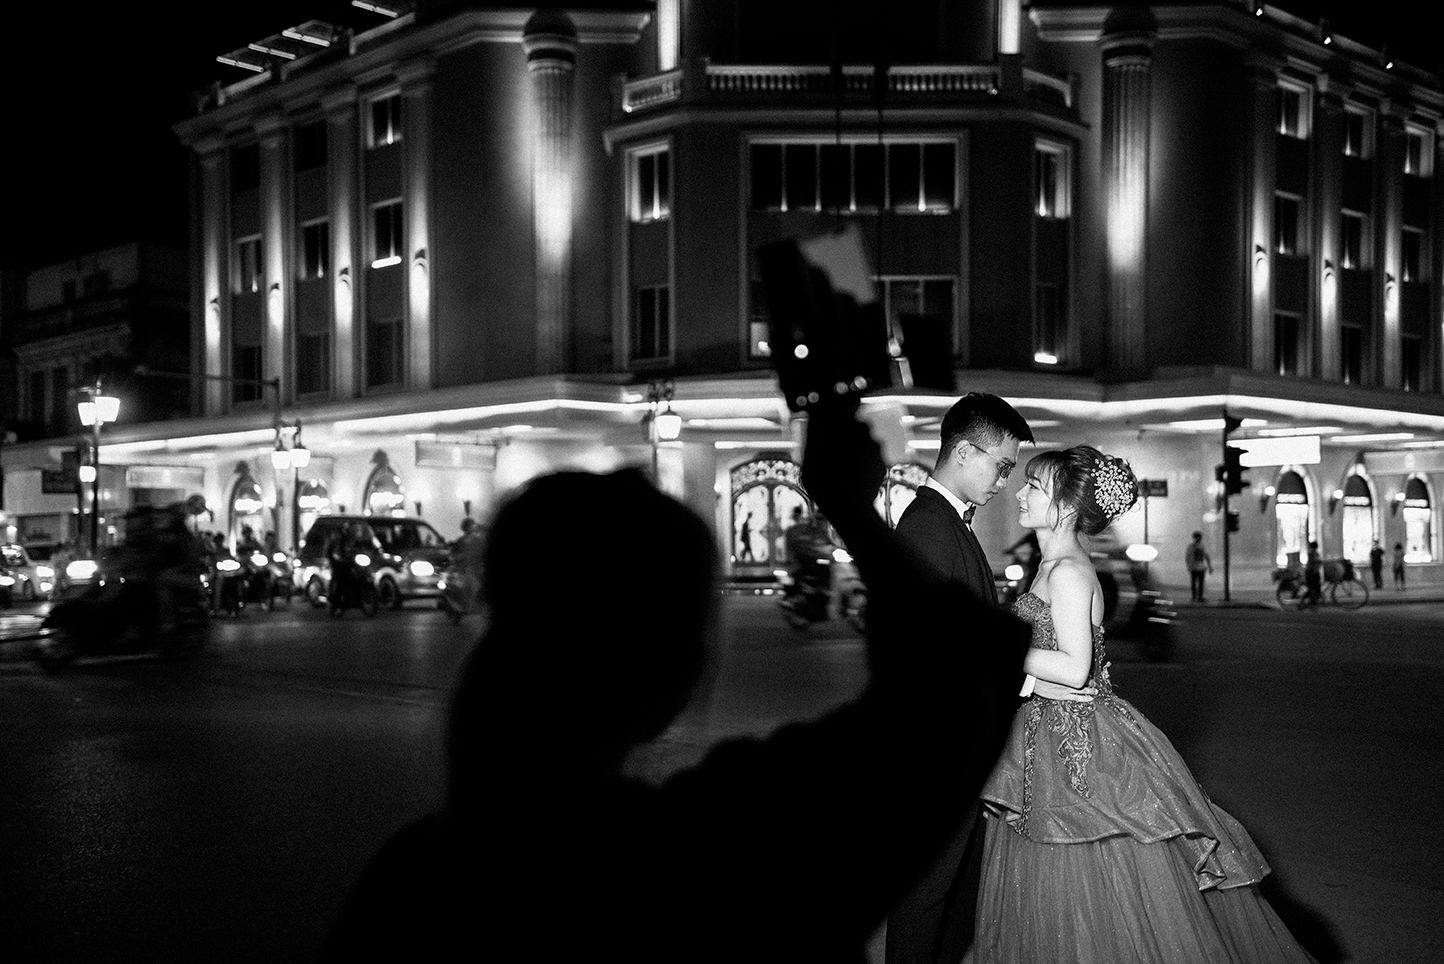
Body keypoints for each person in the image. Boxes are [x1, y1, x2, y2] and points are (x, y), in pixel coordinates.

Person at [319, 399, 1033, 963]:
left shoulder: (406, 879)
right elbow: (956, 693)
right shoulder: (704, 855)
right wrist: (849, 508)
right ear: (676, 677)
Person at [970, 445, 1320, 963]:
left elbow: (1074, 667)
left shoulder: (1067, 572)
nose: (1020, 494)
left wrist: (999, 645)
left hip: (1078, 744)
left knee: (1087, 875)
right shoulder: (1048, 566)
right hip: (1047, 730)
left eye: (1034, 487)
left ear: (1066, 506)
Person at [886, 392, 1093, 964]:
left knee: (953, 900)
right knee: (925, 899)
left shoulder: (946, 523)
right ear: (963, 452)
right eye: (1001, 466)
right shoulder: (930, 528)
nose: (1006, 482)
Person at [1185, 530, 1213, 603]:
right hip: (1194, 567)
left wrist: (1209, 566)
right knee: (1194, 582)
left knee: (1200, 583)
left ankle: (1199, 597)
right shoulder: (1191, 547)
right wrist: (1188, 566)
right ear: (1195, 538)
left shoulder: (1201, 546)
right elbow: (1187, 557)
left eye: (1200, 538)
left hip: (1200, 566)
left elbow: (1206, 556)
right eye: (1198, 537)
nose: (1199, 539)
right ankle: (1195, 597)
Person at [1304, 540, 1323, 605]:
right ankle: (1308, 600)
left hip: (1311, 572)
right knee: (1314, 587)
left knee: (1312, 587)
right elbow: (1315, 563)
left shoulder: (1312, 553)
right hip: (1312, 573)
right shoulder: (1313, 554)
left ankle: (1312, 599)